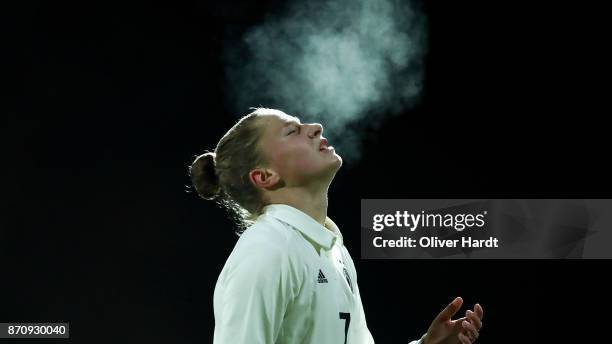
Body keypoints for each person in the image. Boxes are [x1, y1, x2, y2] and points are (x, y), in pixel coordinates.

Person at [189, 107, 484, 344]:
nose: (315, 127)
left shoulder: (331, 249)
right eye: (292, 131)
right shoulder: (267, 250)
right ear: (264, 176)